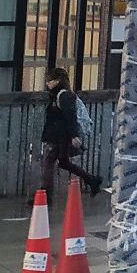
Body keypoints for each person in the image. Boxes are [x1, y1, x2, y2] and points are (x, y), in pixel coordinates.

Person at [40, 66, 102, 202]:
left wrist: (74, 135)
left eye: (50, 80)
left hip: (59, 136)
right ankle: (92, 180)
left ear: (58, 81)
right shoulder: (58, 95)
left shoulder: (64, 95)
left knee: (48, 161)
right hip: (61, 135)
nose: (47, 83)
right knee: (63, 162)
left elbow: (70, 116)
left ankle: (45, 195)